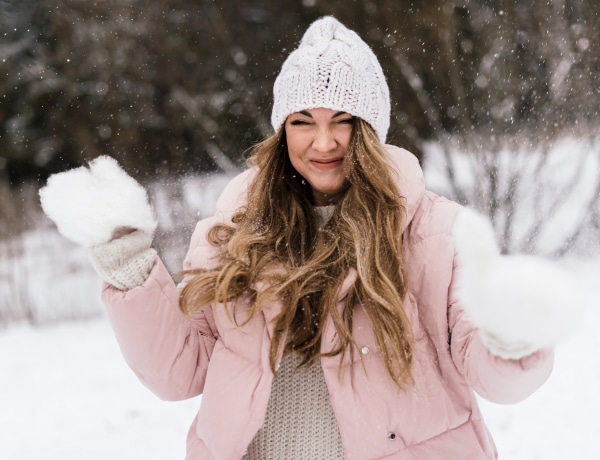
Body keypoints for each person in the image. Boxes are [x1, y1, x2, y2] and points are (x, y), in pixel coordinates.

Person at [40, 16, 580, 460]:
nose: (324, 141)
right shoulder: (234, 233)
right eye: (303, 120)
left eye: (343, 119)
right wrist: (128, 263)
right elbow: (181, 371)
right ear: (282, 131)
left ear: (370, 131)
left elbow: (494, 377)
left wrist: (511, 335)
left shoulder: (434, 232)